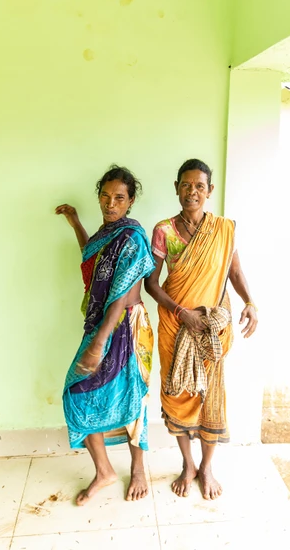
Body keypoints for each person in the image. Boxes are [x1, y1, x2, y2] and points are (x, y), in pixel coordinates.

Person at [144, 158, 258, 501]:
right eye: (185, 185)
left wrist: (251, 302)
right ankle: (188, 463)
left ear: (209, 191)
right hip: (175, 326)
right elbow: (151, 283)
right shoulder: (163, 230)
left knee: (211, 396)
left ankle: (207, 467)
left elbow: (234, 273)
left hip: (210, 330)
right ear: (177, 188)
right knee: (178, 393)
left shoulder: (224, 229)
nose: (191, 192)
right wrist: (181, 312)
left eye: (199, 186)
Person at [55, 165, 155, 505]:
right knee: (77, 395)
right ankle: (105, 471)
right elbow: (92, 257)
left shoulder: (133, 238)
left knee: (133, 397)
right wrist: (76, 223)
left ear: (131, 201)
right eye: (105, 196)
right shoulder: (106, 232)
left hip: (126, 325)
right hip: (102, 325)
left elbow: (124, 294)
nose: (110, 203)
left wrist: (100, 342)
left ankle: (138, 469)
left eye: (119, 198)